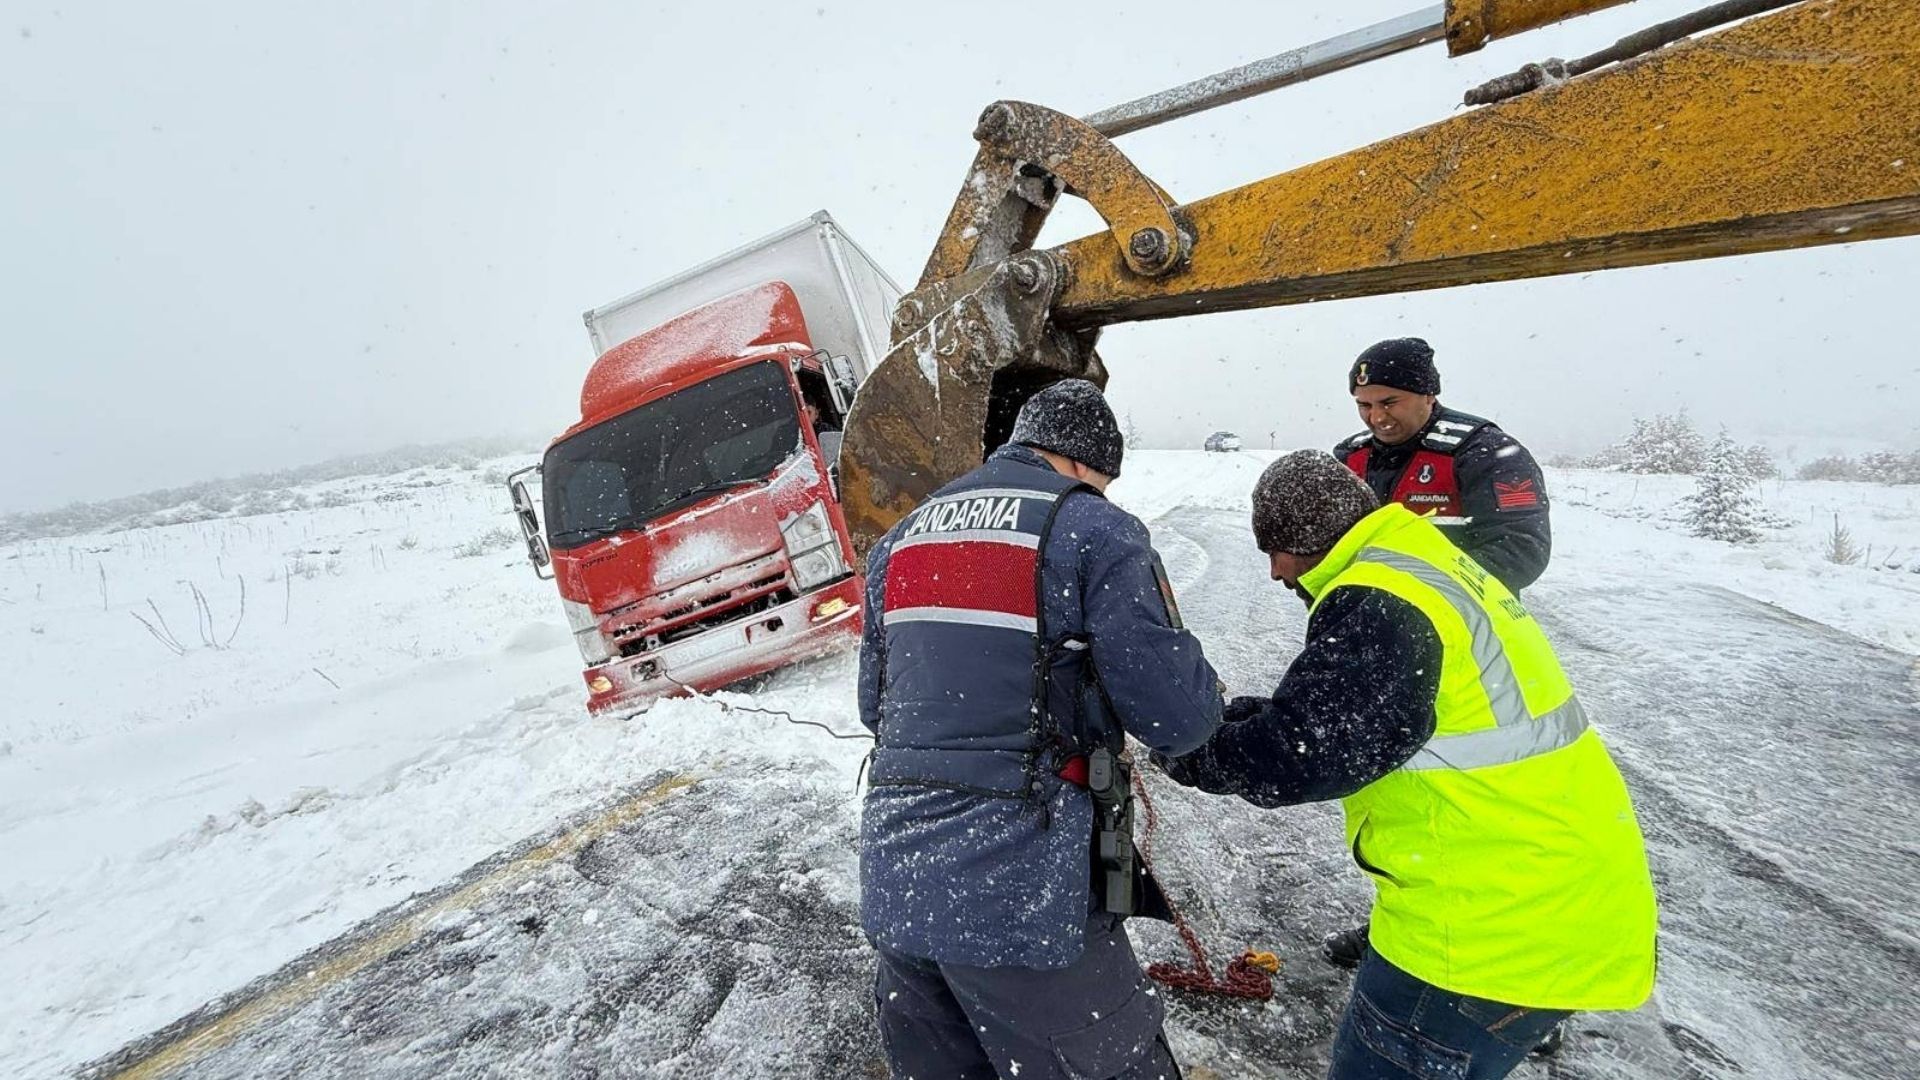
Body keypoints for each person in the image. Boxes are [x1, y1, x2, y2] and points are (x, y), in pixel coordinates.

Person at [1157, 451, 1657, 1080]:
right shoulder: (1420, 560)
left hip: (1481, 934)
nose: (1276, 571)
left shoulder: (1381, 599)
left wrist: (1191, 751)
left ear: (1312, 538)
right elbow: (1362, 714)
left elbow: (1307, 751)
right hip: (1548, 894)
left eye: (1276, 550)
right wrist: (1236, 719)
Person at [859, 378, 1224, 1080]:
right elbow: (1175, 717)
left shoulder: (900, 539)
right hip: (1017, 893)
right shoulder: (1090, 528)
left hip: (900, 889)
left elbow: (875, 709)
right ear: (1088, 464)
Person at [1335, 338, 1551, 595]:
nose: (1377, 417)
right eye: (1364, 405)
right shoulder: (1350, 458)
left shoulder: (1486, 453)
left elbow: (1521, 549)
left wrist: (1407, 594)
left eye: (1389, 403)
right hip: (1355, 624)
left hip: (1458, 625)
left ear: (1428, 395)